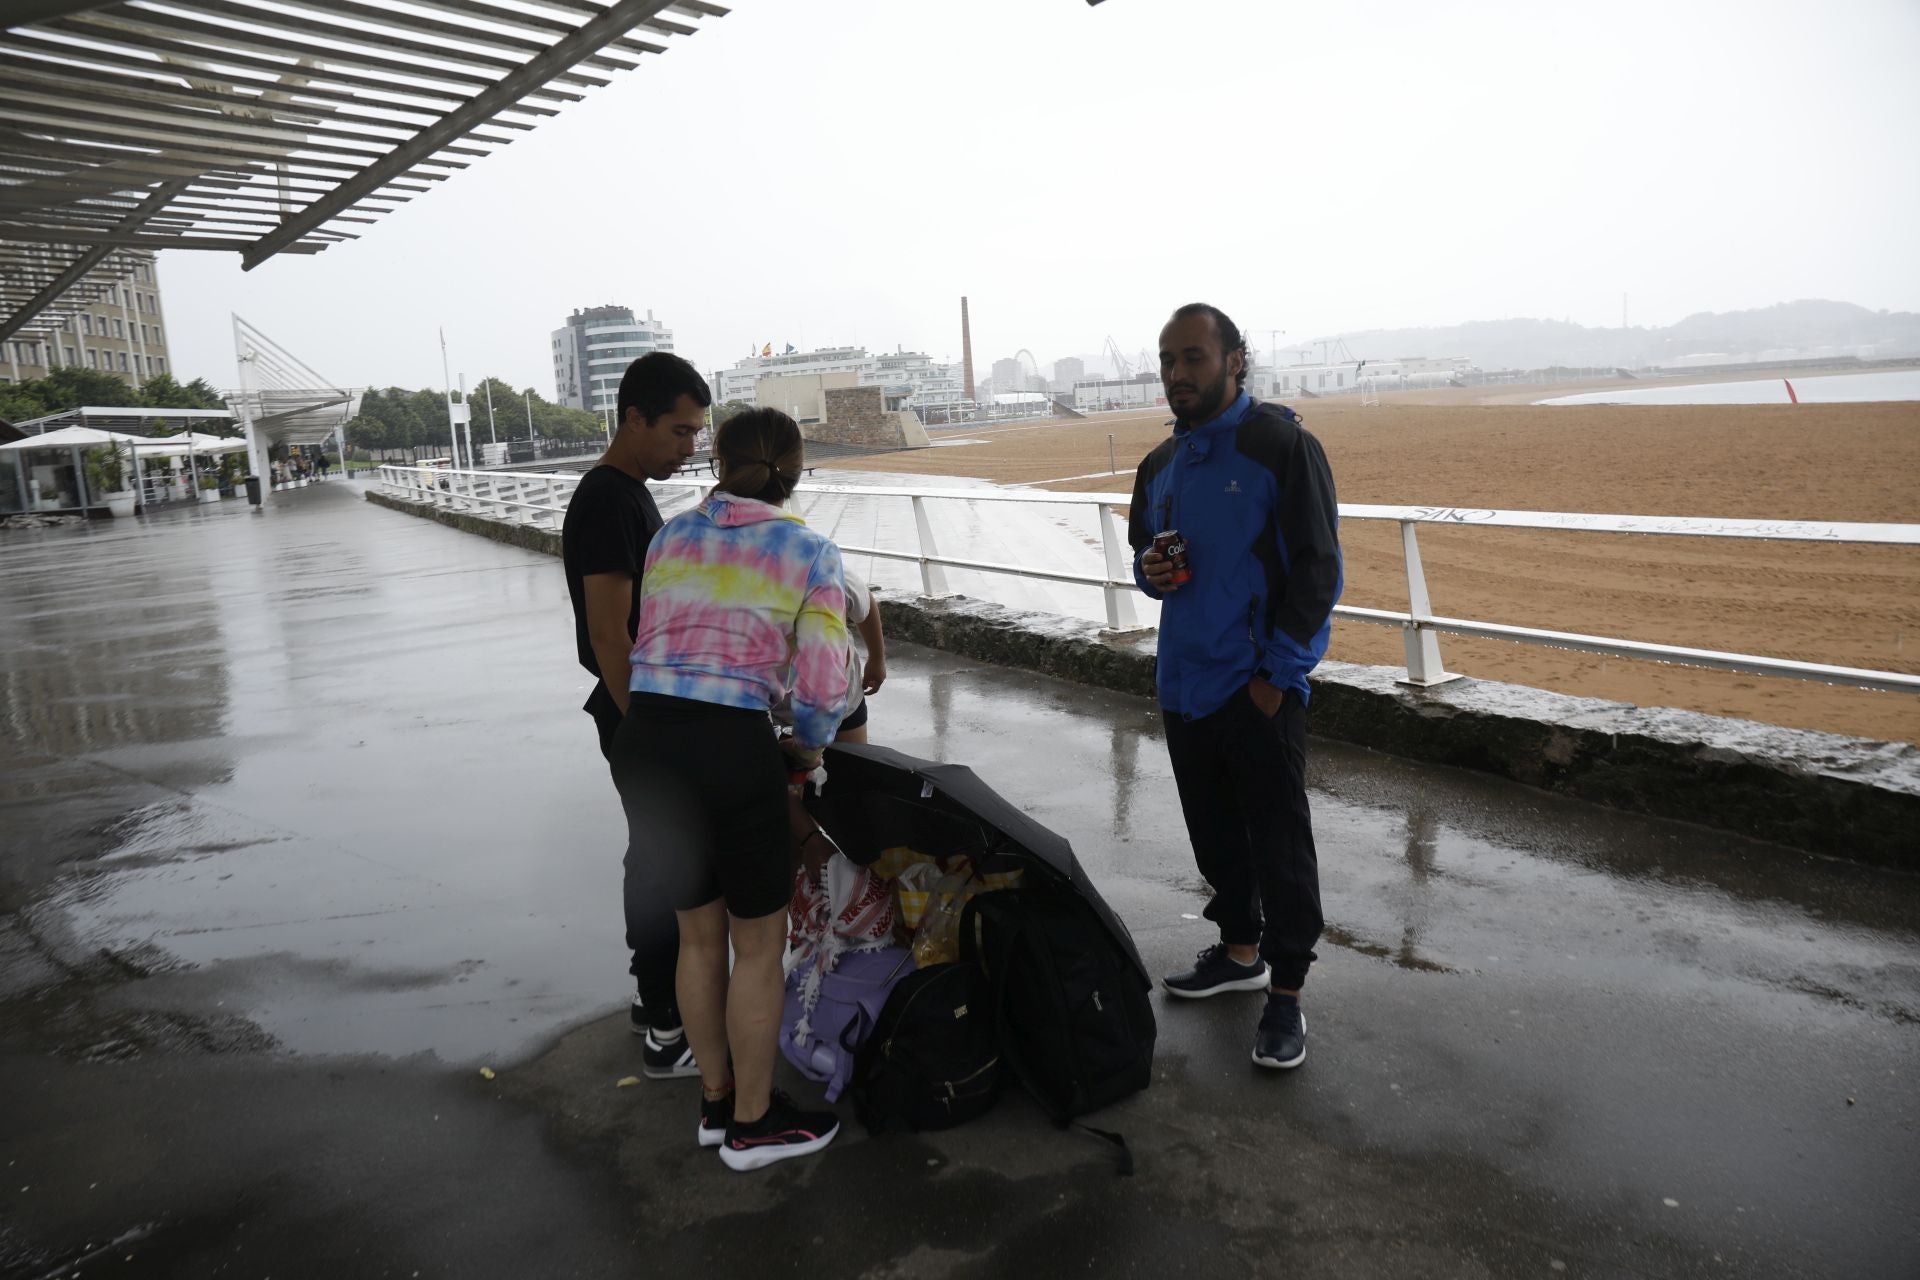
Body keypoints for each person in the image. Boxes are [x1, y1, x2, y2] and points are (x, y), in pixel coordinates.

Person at [610, 407, 849, 1171]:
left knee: (697, 934)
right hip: (729, 747)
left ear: (718, 461)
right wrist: (805, 752)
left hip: (647, 743)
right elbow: (819, 689)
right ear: (797, 469)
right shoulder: (809, 550)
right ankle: (754, 1124)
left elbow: (656, 638)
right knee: (757, 945)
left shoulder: (670, 536)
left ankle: (715, 1101)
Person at [1128, 302, 1343, 1072]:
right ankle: (1239, 950)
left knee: (1279, 843)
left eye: (1192, 357)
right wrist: (1148, 572)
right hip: (1185, 684)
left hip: (1255, 687)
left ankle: (1285, 993)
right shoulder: (1160, 466)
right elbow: (1146, 558)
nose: (1177, 374)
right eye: (1167, 361)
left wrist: (1276, 679)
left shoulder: (1280, 447)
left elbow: (1318, 571)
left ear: (1234, 360)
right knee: (1215, 835)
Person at [561, 352, 707, 1078]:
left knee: (654, 854)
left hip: (641, 711)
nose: (690, 447)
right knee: (663, 861)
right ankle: (668, 1028)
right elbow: (611, 635)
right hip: (636, 714)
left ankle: (657, 1008)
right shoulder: (609, 500)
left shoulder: (628, 493)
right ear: (634, 418)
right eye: (678, 432)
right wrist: (647, 732)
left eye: (697, 434)